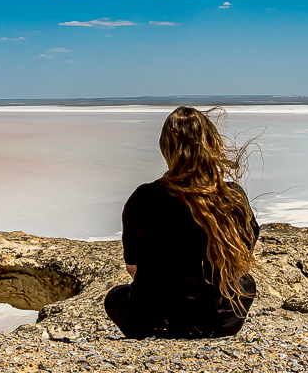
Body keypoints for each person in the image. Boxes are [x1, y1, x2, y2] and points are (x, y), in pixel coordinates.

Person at [104, 106, 260, 339]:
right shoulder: (232, 197)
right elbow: (241, 263)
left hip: (152, 321)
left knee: (115, 297)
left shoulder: (143, 198)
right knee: (246, 285)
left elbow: (132, 267)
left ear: (165, 147)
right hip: (219, 321)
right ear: (211, 144)